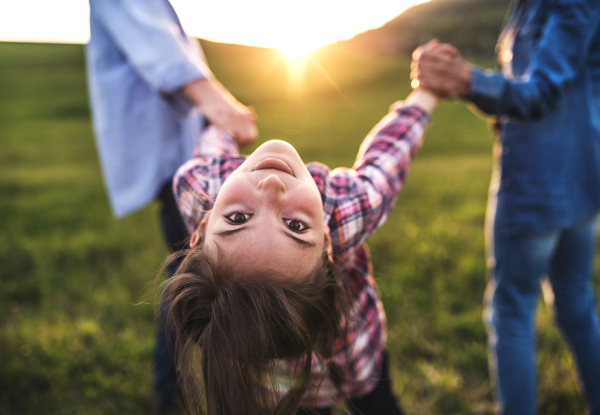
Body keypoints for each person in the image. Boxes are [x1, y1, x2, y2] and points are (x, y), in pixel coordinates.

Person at [157, 88, 438, 415]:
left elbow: (212, 152)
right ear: (327, 243)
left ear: (201, 230)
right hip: (320, 372)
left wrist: (225, 123)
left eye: (237, 218)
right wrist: (427, 94)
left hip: (325, 369)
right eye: (295, 226)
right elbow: (386, 162)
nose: (271, 187)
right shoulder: (343, 213)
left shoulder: (200, 187)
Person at [411, 0, 600, 413]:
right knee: (574, 299)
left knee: (511, 310)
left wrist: (465, 82)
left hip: (535, 185)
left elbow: (540, 91)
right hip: (583, 179)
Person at [85, 0, 257, 411]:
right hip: (167, 153)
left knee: (190, 265)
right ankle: (187, 390)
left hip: (175, 147)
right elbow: (158, 47)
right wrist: (221, 108)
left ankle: (184, 389)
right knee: (196, 269)